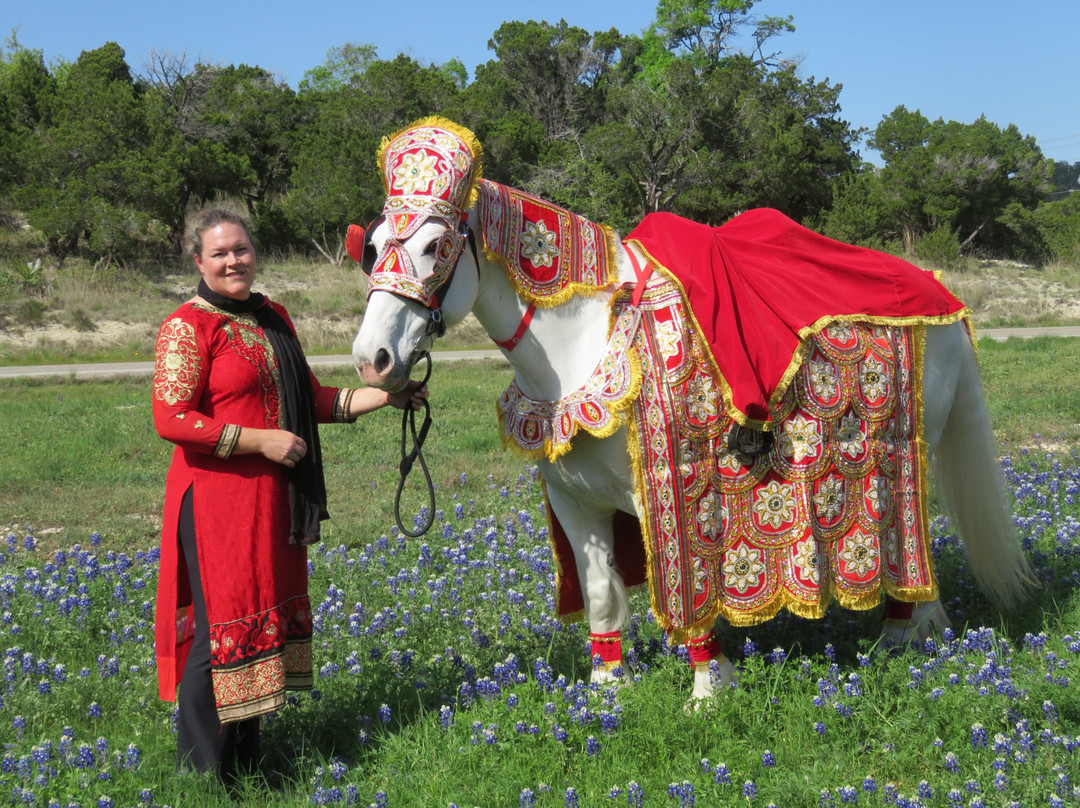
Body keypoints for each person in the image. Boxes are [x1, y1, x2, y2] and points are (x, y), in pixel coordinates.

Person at [151, 207, 426, 786]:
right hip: (217, 502)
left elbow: (312, 399)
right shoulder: (189, 326)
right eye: (220, 253)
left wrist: (388, 398)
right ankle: (202, 777)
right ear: (198, 262)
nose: (233, 261)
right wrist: (260, 441)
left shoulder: (272, 316)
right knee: (216, 630)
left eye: (241, 250)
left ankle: (245, 767)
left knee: (257, 623)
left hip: (272, 503)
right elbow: (172, 419)